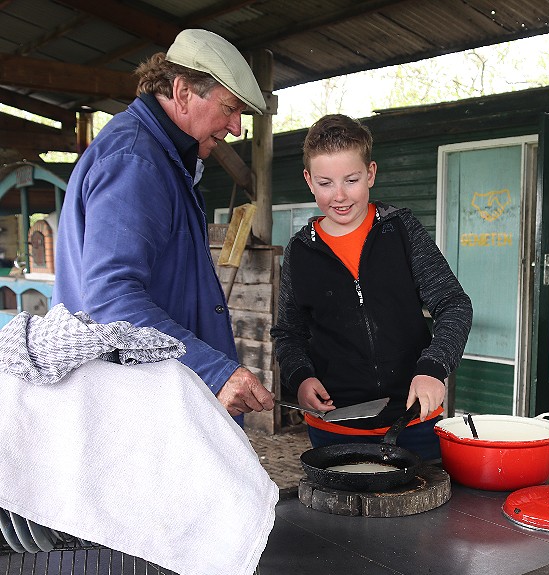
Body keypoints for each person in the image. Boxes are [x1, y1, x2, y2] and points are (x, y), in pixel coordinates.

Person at [53, 29, 274, 421]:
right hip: (134, 404)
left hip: (153, 393)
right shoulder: (136, 161)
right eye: (229, 108)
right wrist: (215, 371)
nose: (236, 128)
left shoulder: (160, 158)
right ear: (183, 91)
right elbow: (111, 300)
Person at [270, 114, 472, 460]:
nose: (340, 196)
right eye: (325, 183)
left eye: (351, 180)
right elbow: (288, 332)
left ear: (371, 174)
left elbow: (454, 304)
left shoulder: (401, 231)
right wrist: (300, 378)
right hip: (334, 428)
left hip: (415, 419)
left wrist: (434, 369)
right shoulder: (300, 252)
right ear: (308, 181)